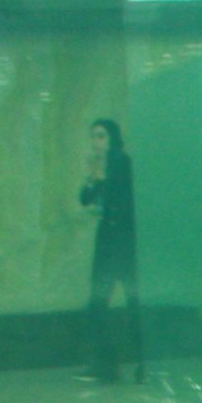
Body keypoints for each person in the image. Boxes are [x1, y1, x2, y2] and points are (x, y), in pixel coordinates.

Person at [80, 118, 140, 381]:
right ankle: (105, 364)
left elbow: (121, 198)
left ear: (113, 138)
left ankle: (143, 362)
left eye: (101, 136)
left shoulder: (122, 162)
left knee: (134, 302)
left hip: (124, 243)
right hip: (107, 242)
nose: (96, 142)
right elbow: (85, 198)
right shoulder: (99, 165)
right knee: (97, 303)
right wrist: (92, 179)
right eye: (93, 136)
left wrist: (101, 180)